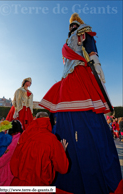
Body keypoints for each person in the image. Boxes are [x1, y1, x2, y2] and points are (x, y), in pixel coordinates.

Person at [39, 13, 122, 194]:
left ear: (79, 25)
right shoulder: (67, 41)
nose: (71, 27)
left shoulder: (83, 32)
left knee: (89, 117)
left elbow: (91, 47)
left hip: (81, 74)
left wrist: (96, 62)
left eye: (74, 24)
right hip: (66, 79)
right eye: (70, 25)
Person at [10, 112, 71, 194]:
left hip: (16, 186)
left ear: (35, 120)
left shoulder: (24, 135)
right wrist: (62, 152)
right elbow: (63, 168)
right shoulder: (51, 139)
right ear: (48, 121)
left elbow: (14, 160)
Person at [0, 120, 23, 192]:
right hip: (10, 170)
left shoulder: (14, 140)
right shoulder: (18, 138)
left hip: (5, 171)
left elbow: (4, 158)